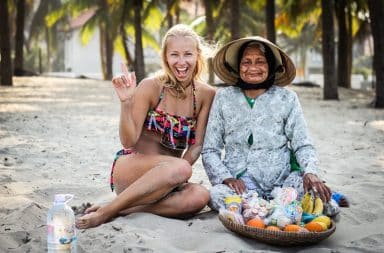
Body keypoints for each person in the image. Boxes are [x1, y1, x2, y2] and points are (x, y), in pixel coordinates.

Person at [76, 24, 216, 229]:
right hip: (132, 169)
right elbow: (128, 140)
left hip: (169, 178)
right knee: (181, 168)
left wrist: (178, 177)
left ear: (198, 56)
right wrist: (126, 104)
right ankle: (106, 213)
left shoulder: (207, 94)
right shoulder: (151, 86)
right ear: (165, 57)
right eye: (174, 55)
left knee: (200, 196)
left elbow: (196, 147)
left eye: (188, 54)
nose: (181, 62)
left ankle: (122, 209)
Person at [201, 36, 335, 212]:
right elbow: (210, 150)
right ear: (238, 67)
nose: (253, 68)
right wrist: (227, 178)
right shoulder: (223, 98)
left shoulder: (287, 98)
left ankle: (267, 208)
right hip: (240, 184)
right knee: (216, 195)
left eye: (260, 62)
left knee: (320, 199)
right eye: (246, 62)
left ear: (271, 66)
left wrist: (311, 172)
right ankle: (268, 209)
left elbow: (303, 144)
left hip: (283, 181)